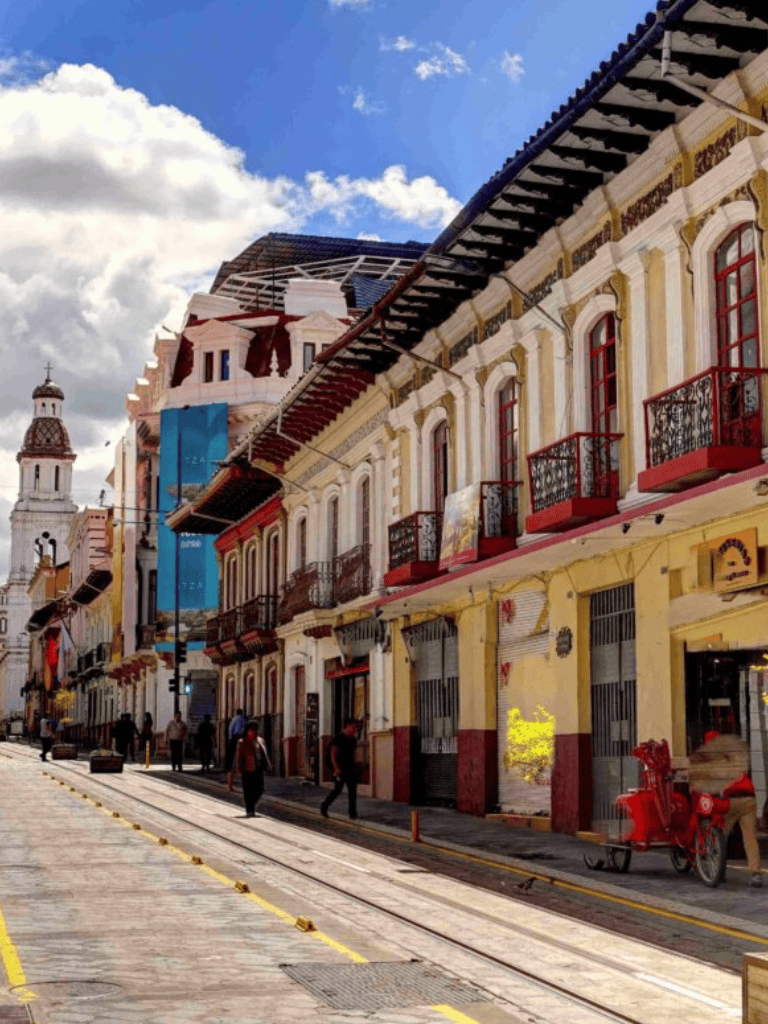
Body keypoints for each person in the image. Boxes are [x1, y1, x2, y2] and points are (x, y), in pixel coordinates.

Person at [698, 730, 762, 888]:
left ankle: (718, 871)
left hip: (732, 801)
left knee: (719, 834)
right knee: (750, 838)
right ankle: (756, 875)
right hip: (749, 799)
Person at [320, 719, 359, 820]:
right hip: (340, 767)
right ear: (347, 726)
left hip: (350, 767)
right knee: (337, 789)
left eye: (356, 728)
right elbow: (333, 754)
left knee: (352, 790)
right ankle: (324, 806)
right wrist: (336, 768)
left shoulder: (353, 739)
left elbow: (353, 754)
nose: (355, 729)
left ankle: (352, 813)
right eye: (353, 727)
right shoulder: (339, 738)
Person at [235, 719, 272, 816]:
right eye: (252, 730)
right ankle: (250, 810)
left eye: (256, 730)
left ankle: (251, 806)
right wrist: (238, 768)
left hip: (258, 769)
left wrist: (268, 764)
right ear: (247, 730)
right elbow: (239, 757)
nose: (254, 732)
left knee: (260, 789)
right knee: (248, 791)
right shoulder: (242, 742)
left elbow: (265, 754)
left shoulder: (260, 740)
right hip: (247, 769)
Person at [226, 708, 247, 792]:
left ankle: (230, 781)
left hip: (234, 738)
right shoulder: (244, 719)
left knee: (231, 757)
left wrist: (230, 738)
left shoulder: (234, 719)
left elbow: (230, 730)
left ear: (236, 713)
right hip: (242, 738)